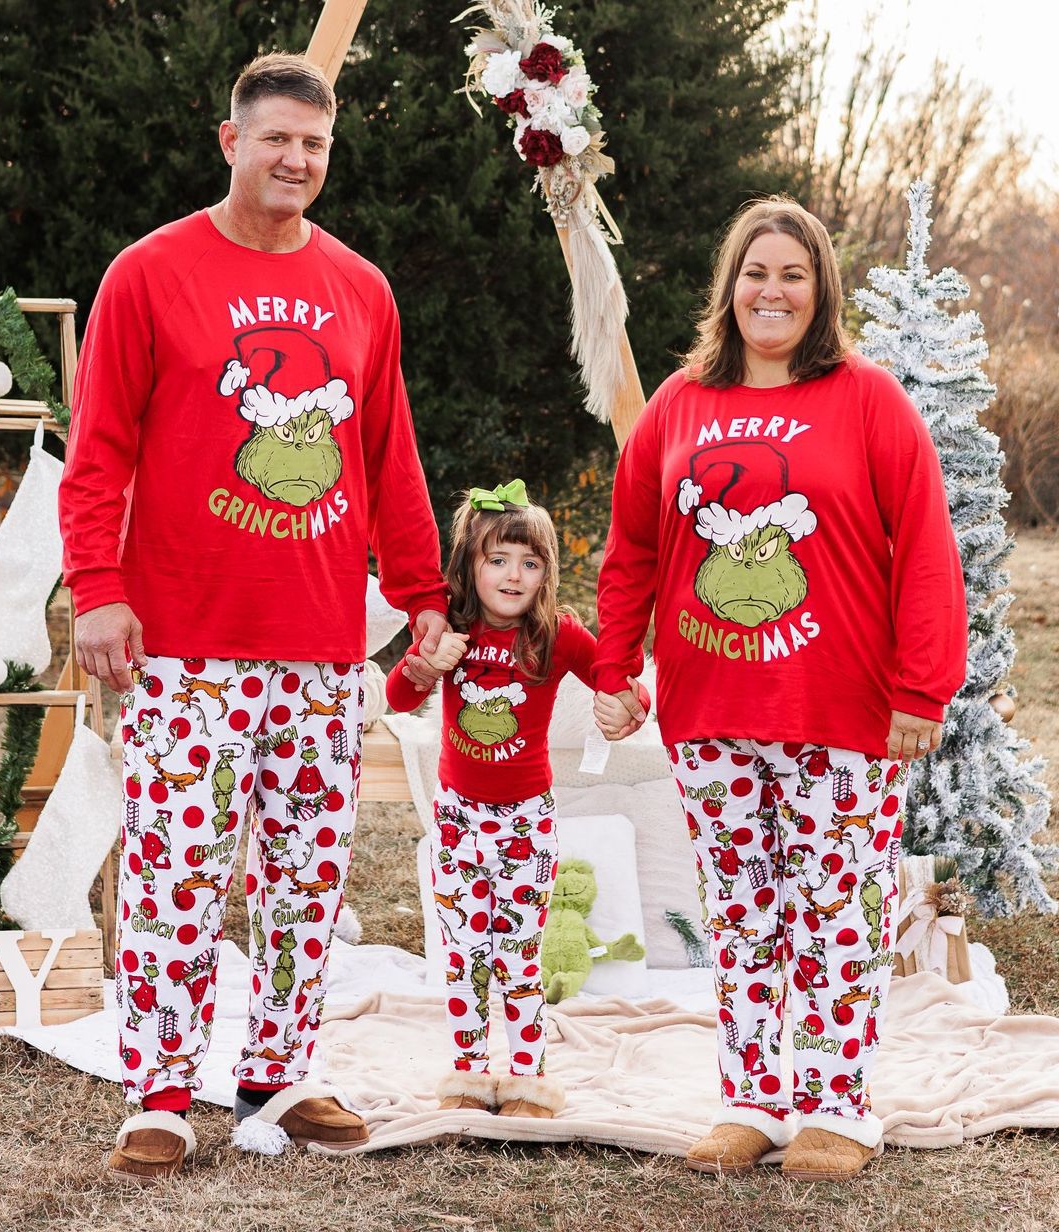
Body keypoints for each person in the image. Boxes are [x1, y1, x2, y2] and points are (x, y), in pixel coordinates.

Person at [58, 52, 449, 1181]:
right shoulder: (150, 273)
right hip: (181, 637)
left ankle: (279, 1069)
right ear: (230, 142)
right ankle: (163, 1090)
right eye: (276, 138)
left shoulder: (361, 289)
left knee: (304, 872)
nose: (296, 160)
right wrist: (99, 586)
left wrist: (421, 595)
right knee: (180, 865)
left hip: (322, 641)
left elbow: (389, 459)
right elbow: (101, 453)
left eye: (315, 145)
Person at [592, 198, 967, 1182]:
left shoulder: (868, 398)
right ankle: (754, 1094)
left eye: (793, 274)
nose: (773, 290)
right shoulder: (678, 404)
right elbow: (632, 545)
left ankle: (837, 1100)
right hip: (712, 711)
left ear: (820, 291)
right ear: (731, 288)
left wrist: (922, 688)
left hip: (840, 712)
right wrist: (616, 663)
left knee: (834, 902)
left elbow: (926, 547)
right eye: (756, 272)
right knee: (743, 904)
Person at [386, 480, 645, 1118]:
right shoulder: (450, 628)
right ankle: (471, 1076)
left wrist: (629, 707)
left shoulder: (555, 635)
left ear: (546, 574)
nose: (513, 574)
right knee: (466, 950)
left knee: (518, 954)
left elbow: (618, 678)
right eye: (497, 559)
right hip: (457, 819)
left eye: (530, 563)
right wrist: (428, 661)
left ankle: (528, 1080)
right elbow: (396, 697)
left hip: (526, 821)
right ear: (469, 564)